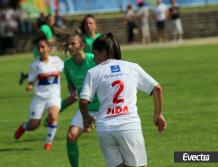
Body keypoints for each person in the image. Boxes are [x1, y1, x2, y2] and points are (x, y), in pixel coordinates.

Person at [79, 32, 166, 167]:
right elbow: (157, 89)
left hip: (105, 129)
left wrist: (86, 118)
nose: (94, 59)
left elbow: (83, 101)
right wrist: (158, 114)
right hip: (129, 126)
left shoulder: (93, 72)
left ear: (102, 52)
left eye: (94, 54)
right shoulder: (132, 67)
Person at [14, 39, 64, 150]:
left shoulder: (57, 61)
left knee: (53, 115)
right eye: (39, 48)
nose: (41, 50)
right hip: (40, 98)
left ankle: (48, 143)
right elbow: (31, 81)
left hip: (54, 96)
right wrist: (30, 86)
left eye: (43, 47)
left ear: (48, 48)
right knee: (33, 125)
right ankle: (24, 127)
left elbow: (67, 70)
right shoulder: (35, 65)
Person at [63, 33, 100, 167]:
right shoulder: (67, 65)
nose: (70, 46)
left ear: (82, 45)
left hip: (104, 106)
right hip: (86, 108)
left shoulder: (93, 59)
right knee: (71, 136)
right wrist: (72, 92)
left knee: (113, 139)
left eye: (73, 43)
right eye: (68, 44)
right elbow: (71, 84)